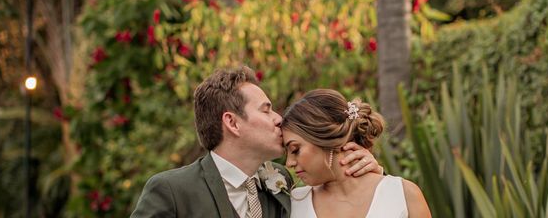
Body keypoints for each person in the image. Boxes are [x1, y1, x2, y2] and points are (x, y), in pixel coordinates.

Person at [131, 67, 382, 217]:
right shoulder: (172, 190)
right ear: (232, 123)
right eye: (266, 110)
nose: (278, 119)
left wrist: (369, 176)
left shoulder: (283, 184)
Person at [282, 89, 432, 218]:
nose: (289, 163)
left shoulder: (403, 194)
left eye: (295, 150)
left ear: (326, 138)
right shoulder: (293, 204)